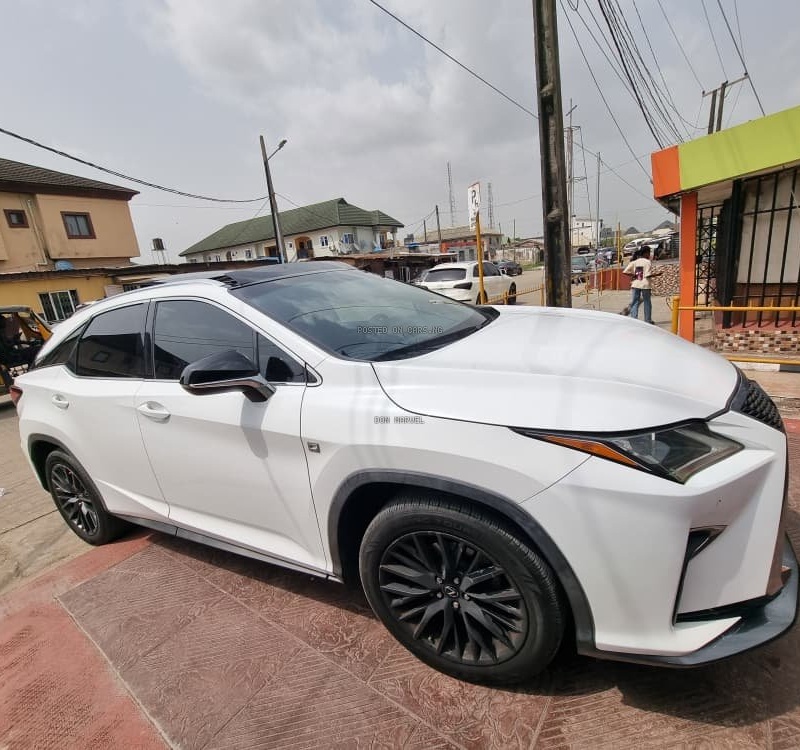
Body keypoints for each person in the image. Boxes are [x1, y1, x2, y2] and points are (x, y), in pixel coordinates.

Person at [623, 247, 660, 324]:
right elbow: (647, 275)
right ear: (645, 253)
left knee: (634, 302)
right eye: (649, 253)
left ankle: (634, 319)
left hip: (636, 284)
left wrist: (633, 275)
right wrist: (657, 274)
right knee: (647, 302)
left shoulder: (635, 262)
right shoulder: (647, 262)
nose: (649, 255)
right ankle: (647, 320)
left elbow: (625, 272)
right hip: (645, 285)